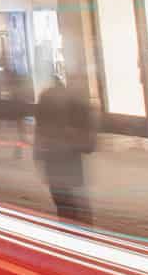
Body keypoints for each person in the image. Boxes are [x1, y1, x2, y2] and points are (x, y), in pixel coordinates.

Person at [34, 73, 99, 225]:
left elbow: (39, 134)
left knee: (65, 210)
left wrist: (38, 156)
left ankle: (73, 237)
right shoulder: (77, 104)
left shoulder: (47, 100)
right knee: (80, 210)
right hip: (72, 168)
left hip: (56, 168)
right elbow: (89, 144)